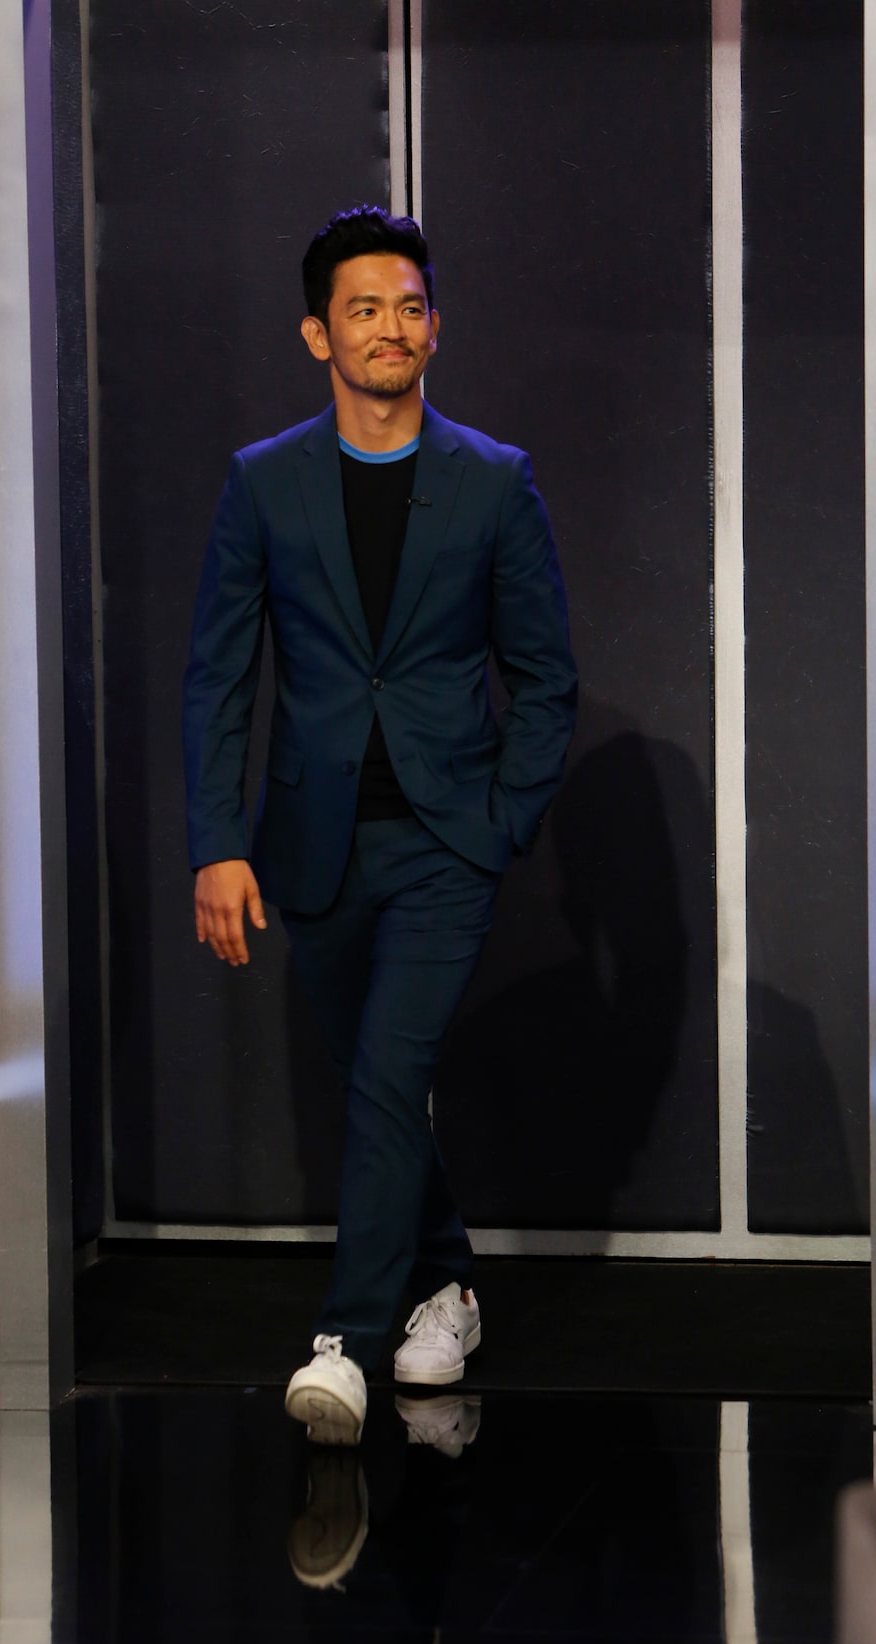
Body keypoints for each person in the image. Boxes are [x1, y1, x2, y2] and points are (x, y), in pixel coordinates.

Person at [183, 205, 577, 1445]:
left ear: (435, 327)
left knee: (389, 1076)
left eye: (409, 306)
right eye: (364, 309)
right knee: (379, 1090)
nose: (390, 328)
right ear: (320, 334)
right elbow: (220, 677)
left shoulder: (494, 480)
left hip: (446, 845)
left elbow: (545, 676)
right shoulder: (263, 482)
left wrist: (501, 823)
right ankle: (447, 1284)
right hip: (314, 847)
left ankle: (345, 1346)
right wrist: (216, 842)